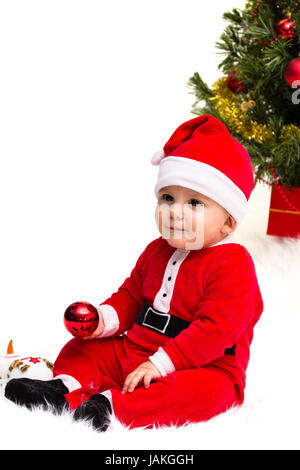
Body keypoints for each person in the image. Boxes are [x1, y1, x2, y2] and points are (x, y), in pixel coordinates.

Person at [5, 114, 264, 432]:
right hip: (138, 350)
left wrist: (160, 364)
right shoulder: (157, 250)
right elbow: (131, 295)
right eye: (168, 198)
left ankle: (110, 408)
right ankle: (63, 390)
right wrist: (102, 320)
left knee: (207, 393)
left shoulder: (232, 263)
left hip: (203, 366)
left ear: (229, 222)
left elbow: (214, 331)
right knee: (83, 349)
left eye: (194, 203)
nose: (175, 212)